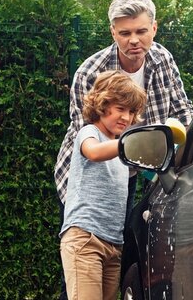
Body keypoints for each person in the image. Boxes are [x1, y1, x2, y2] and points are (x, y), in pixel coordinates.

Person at [54, 0, 193, 299]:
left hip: (129, 170)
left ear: (154, 28)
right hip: (88, 177)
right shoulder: (90, 73)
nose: (134, 40)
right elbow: (88, 141)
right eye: (125, 33)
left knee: (115, 253)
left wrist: (190, 136)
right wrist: (133, 144)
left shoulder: (162, 59)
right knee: (80, 268)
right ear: (113, 33)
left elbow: (182, 110)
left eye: (141, 31)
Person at [59, 70, 146, 300]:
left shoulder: (120, 150)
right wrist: (130, 144)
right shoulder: (90, 133)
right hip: (85, 238)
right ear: (101, 104)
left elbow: (151, 171)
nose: (126, 118)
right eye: (120, 109)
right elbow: (94, 152)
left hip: (113, 245)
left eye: (131, 112)